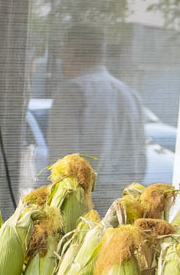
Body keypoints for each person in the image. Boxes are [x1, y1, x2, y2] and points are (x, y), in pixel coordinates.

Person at [45, 23, 147, 210]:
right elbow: (140, 159)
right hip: (124, 205)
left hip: (83, 206)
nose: (61, 59)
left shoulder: (72, 93)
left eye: (62, 52)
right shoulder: (130, 94)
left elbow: (64, 164)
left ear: (71, 53)